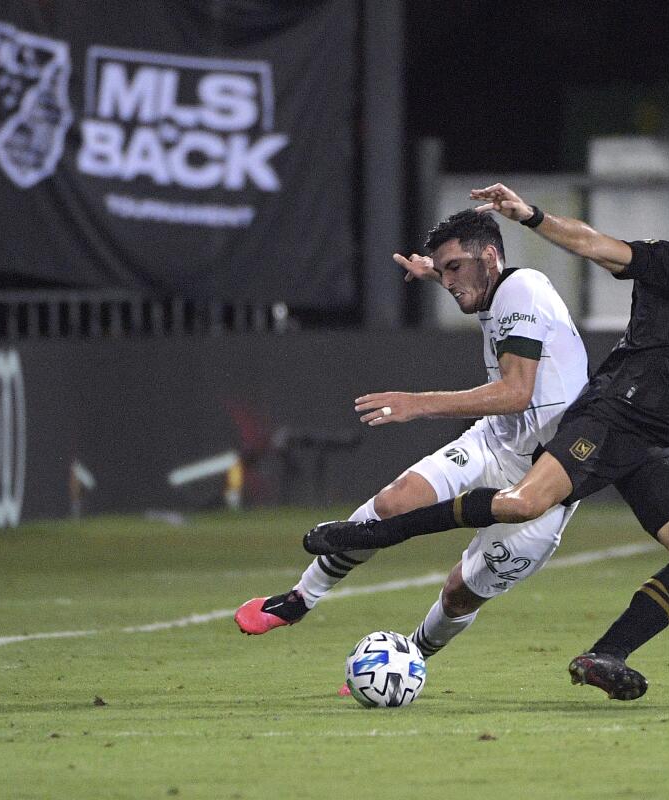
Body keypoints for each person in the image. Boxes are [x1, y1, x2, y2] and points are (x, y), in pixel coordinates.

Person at [304, 175, 669, 700]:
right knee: (520, 505)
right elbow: (593, 243)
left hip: (651, 446)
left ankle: (606, 654)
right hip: (610, 418)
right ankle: (375, 534)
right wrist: (529, 215)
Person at [235, 208, 589, 665]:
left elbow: (517, 392)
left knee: (460, 592)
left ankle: (409, 660)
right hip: (496, 441)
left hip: (548, 479)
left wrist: (417, 403)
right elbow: (479, 298)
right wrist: (433, 272)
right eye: (442, 272)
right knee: (394, 503)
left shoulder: (523, 289)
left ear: (489, 256)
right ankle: (300, 598)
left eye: (455, 268)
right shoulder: (496, 290)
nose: (448, 282)